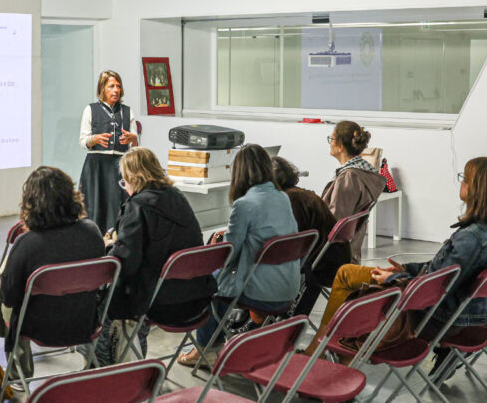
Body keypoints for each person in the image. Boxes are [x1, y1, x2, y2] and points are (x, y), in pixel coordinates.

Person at [306, 157, 487, 356]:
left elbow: (437, 287)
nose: (461, 183)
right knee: (347, 272)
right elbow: (444, 271)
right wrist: (405, 270)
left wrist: (391, 280)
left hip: (436, 317)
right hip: (475, 314)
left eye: (464, 178)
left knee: (346, 277)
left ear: (475, 188)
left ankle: (323, 347)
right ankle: (327, 346)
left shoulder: (471, 238)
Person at [179, 144, 300, 367]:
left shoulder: (244, 204)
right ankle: (218, 342)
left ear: (238, 171)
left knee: (206, 285)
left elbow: (227, 253)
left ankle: (207, 350)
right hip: (288, 288)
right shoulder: (282, 198)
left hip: (260, 291)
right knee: (219, 282)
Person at [96, 147, 215, 365]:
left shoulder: (138, 206)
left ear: (133, 177)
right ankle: (133, 362)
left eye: (124, 181)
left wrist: (106, 250)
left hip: (159, 303)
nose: (125, 187)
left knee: (103, 299)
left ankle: (104, 368)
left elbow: (124, 263)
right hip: (196, 299)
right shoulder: (178, 198)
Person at [0, 166, 104, 380]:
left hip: (36, 327)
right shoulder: (92, 232)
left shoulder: (27, 244)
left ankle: (17, 374)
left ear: (31, 202)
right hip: (84, 322)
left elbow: (8, 298)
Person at [272, 156, 351, 318]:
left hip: (319, 268)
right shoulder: (303, 195)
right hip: (334, 259)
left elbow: (288, 244)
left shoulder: (289, 200)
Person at [78, 70, 139, 233]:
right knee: (94, 207)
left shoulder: (127, 112)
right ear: (102, 89)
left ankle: (117, 241)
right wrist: (94, 139)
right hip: (96, 167)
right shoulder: (90, 110)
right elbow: (83, 141)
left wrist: (133, 138)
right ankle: (93, 240)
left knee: (117, 206)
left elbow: (135, 146)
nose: (116, 90)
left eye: (118, 86)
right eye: (111, 86)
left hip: (119, 167)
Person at [321, 120, 386, 262]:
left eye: (331, 139)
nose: (330, 142)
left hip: (333, 255)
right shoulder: (363, 172)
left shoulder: (349, 177)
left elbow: (335, 221)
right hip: (349, 251)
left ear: (340, 147)